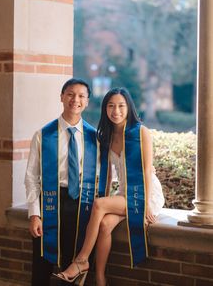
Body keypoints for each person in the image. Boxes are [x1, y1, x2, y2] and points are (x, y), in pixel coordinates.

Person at [55, 87, 164, 286]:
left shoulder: (140, 132)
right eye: (111, 106)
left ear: (129, 107)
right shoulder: (106, 135)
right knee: (105, 225)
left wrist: (145, 203)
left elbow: (147, 170)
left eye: (121, 106)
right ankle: (100, 279)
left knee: (99, 205)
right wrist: (104, 197)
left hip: (144, 193)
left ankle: (81, 261)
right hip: (124, 193)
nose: (116, 111)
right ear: (105, 109)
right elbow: (107, 175)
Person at [25, 78, 99, 286]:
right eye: (70, 94)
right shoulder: (43, 135)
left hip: (82, 204)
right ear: (61, 97)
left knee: (73, 265)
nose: (75, 100)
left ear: (87, 102)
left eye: (81, 96)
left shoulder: (95, 138)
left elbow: (106, 174)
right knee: (42, 263)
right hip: (50, 202)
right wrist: (34, 214)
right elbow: (31, 176)